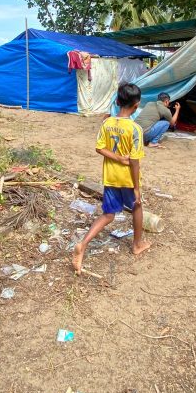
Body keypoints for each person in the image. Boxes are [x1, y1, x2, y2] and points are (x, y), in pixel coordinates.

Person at [72, 83, 151, 274]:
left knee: (108, 214)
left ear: (117, 101)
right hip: (127, 179)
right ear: (136, 105)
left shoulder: (107, 123)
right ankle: (137, 244)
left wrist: (116, 157)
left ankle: (83, 245)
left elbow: (99, 148)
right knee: (137, 207)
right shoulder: (135, 129)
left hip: (110, 177)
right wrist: (137, 188)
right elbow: (134, 161)